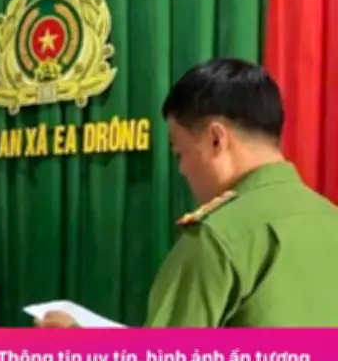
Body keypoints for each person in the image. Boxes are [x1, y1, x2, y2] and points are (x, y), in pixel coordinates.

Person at [36, 58, 338, 328]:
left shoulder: (218, 237)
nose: (182, 169)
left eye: (180, 153)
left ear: (216, 139)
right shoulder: (329, 218)